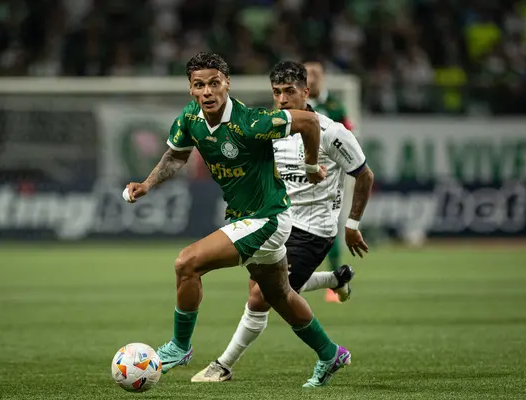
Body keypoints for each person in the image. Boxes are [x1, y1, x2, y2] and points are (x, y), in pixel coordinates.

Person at [125, 53, 360, 388]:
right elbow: (176, 155)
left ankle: (180, 346)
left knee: (187, 263)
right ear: (191, 89)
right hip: (245, 217)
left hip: (268, 219)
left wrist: (310, 166)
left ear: (227, 84)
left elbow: (308, 123)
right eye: (199, 85)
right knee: (278, 295)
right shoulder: (191, 118)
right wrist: (147, 184)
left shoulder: (251, 122)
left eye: (214, 83)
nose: (207, 92)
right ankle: (329, 353)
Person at [192, 61, 373, 383]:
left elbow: (363, 174)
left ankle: (223, 365)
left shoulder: (331, 131)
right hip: (275, 220)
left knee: (263, 295)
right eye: (276, 92)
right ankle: (334, 280)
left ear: (306, 92)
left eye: (290, 91)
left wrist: (353, 225)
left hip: (313, 229)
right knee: (273, 290)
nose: (282, 99)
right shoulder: (270, 127)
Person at [304, 59, 356, 302]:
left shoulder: (334, 106)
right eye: (307, 74)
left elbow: (349, 137)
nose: (311, 78)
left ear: (323, 76)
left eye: (315, 73)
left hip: (332, 176)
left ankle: (332, 280)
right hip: (300, 175)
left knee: (330, 223)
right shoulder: (296, 104)